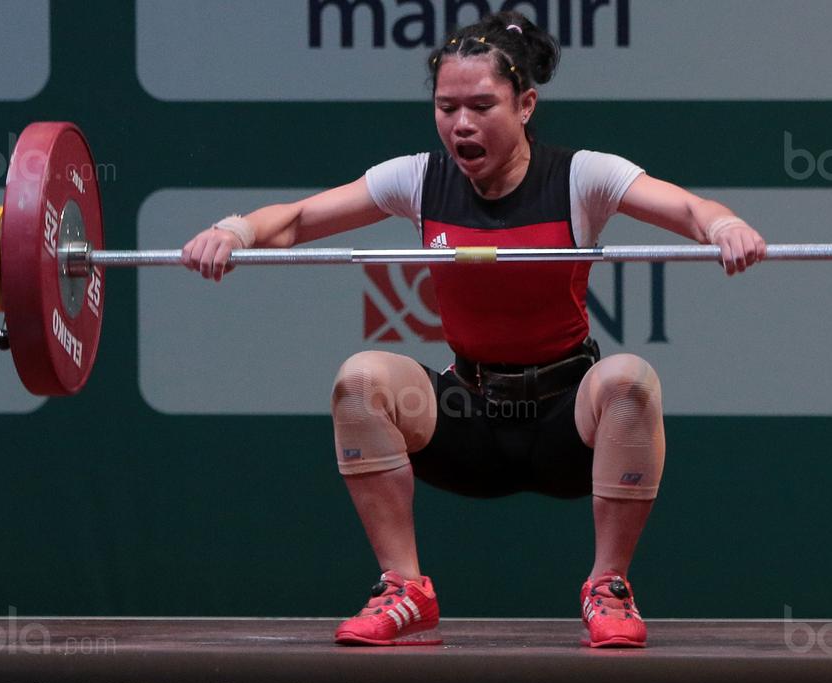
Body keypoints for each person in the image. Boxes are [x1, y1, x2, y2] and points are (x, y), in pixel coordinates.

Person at [181, 11, 766, 648]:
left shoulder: (581, 176)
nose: (461, 123)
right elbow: (295, 220)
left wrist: (724, 227)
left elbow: (689, 208)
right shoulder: (418, 178)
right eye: (446, 107)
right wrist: (235, 230)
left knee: (630, 380)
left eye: (482, 106)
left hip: (567, 424)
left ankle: (608, 587)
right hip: (469, 414)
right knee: (361, 380)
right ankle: (405, 589)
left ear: (525, 105)